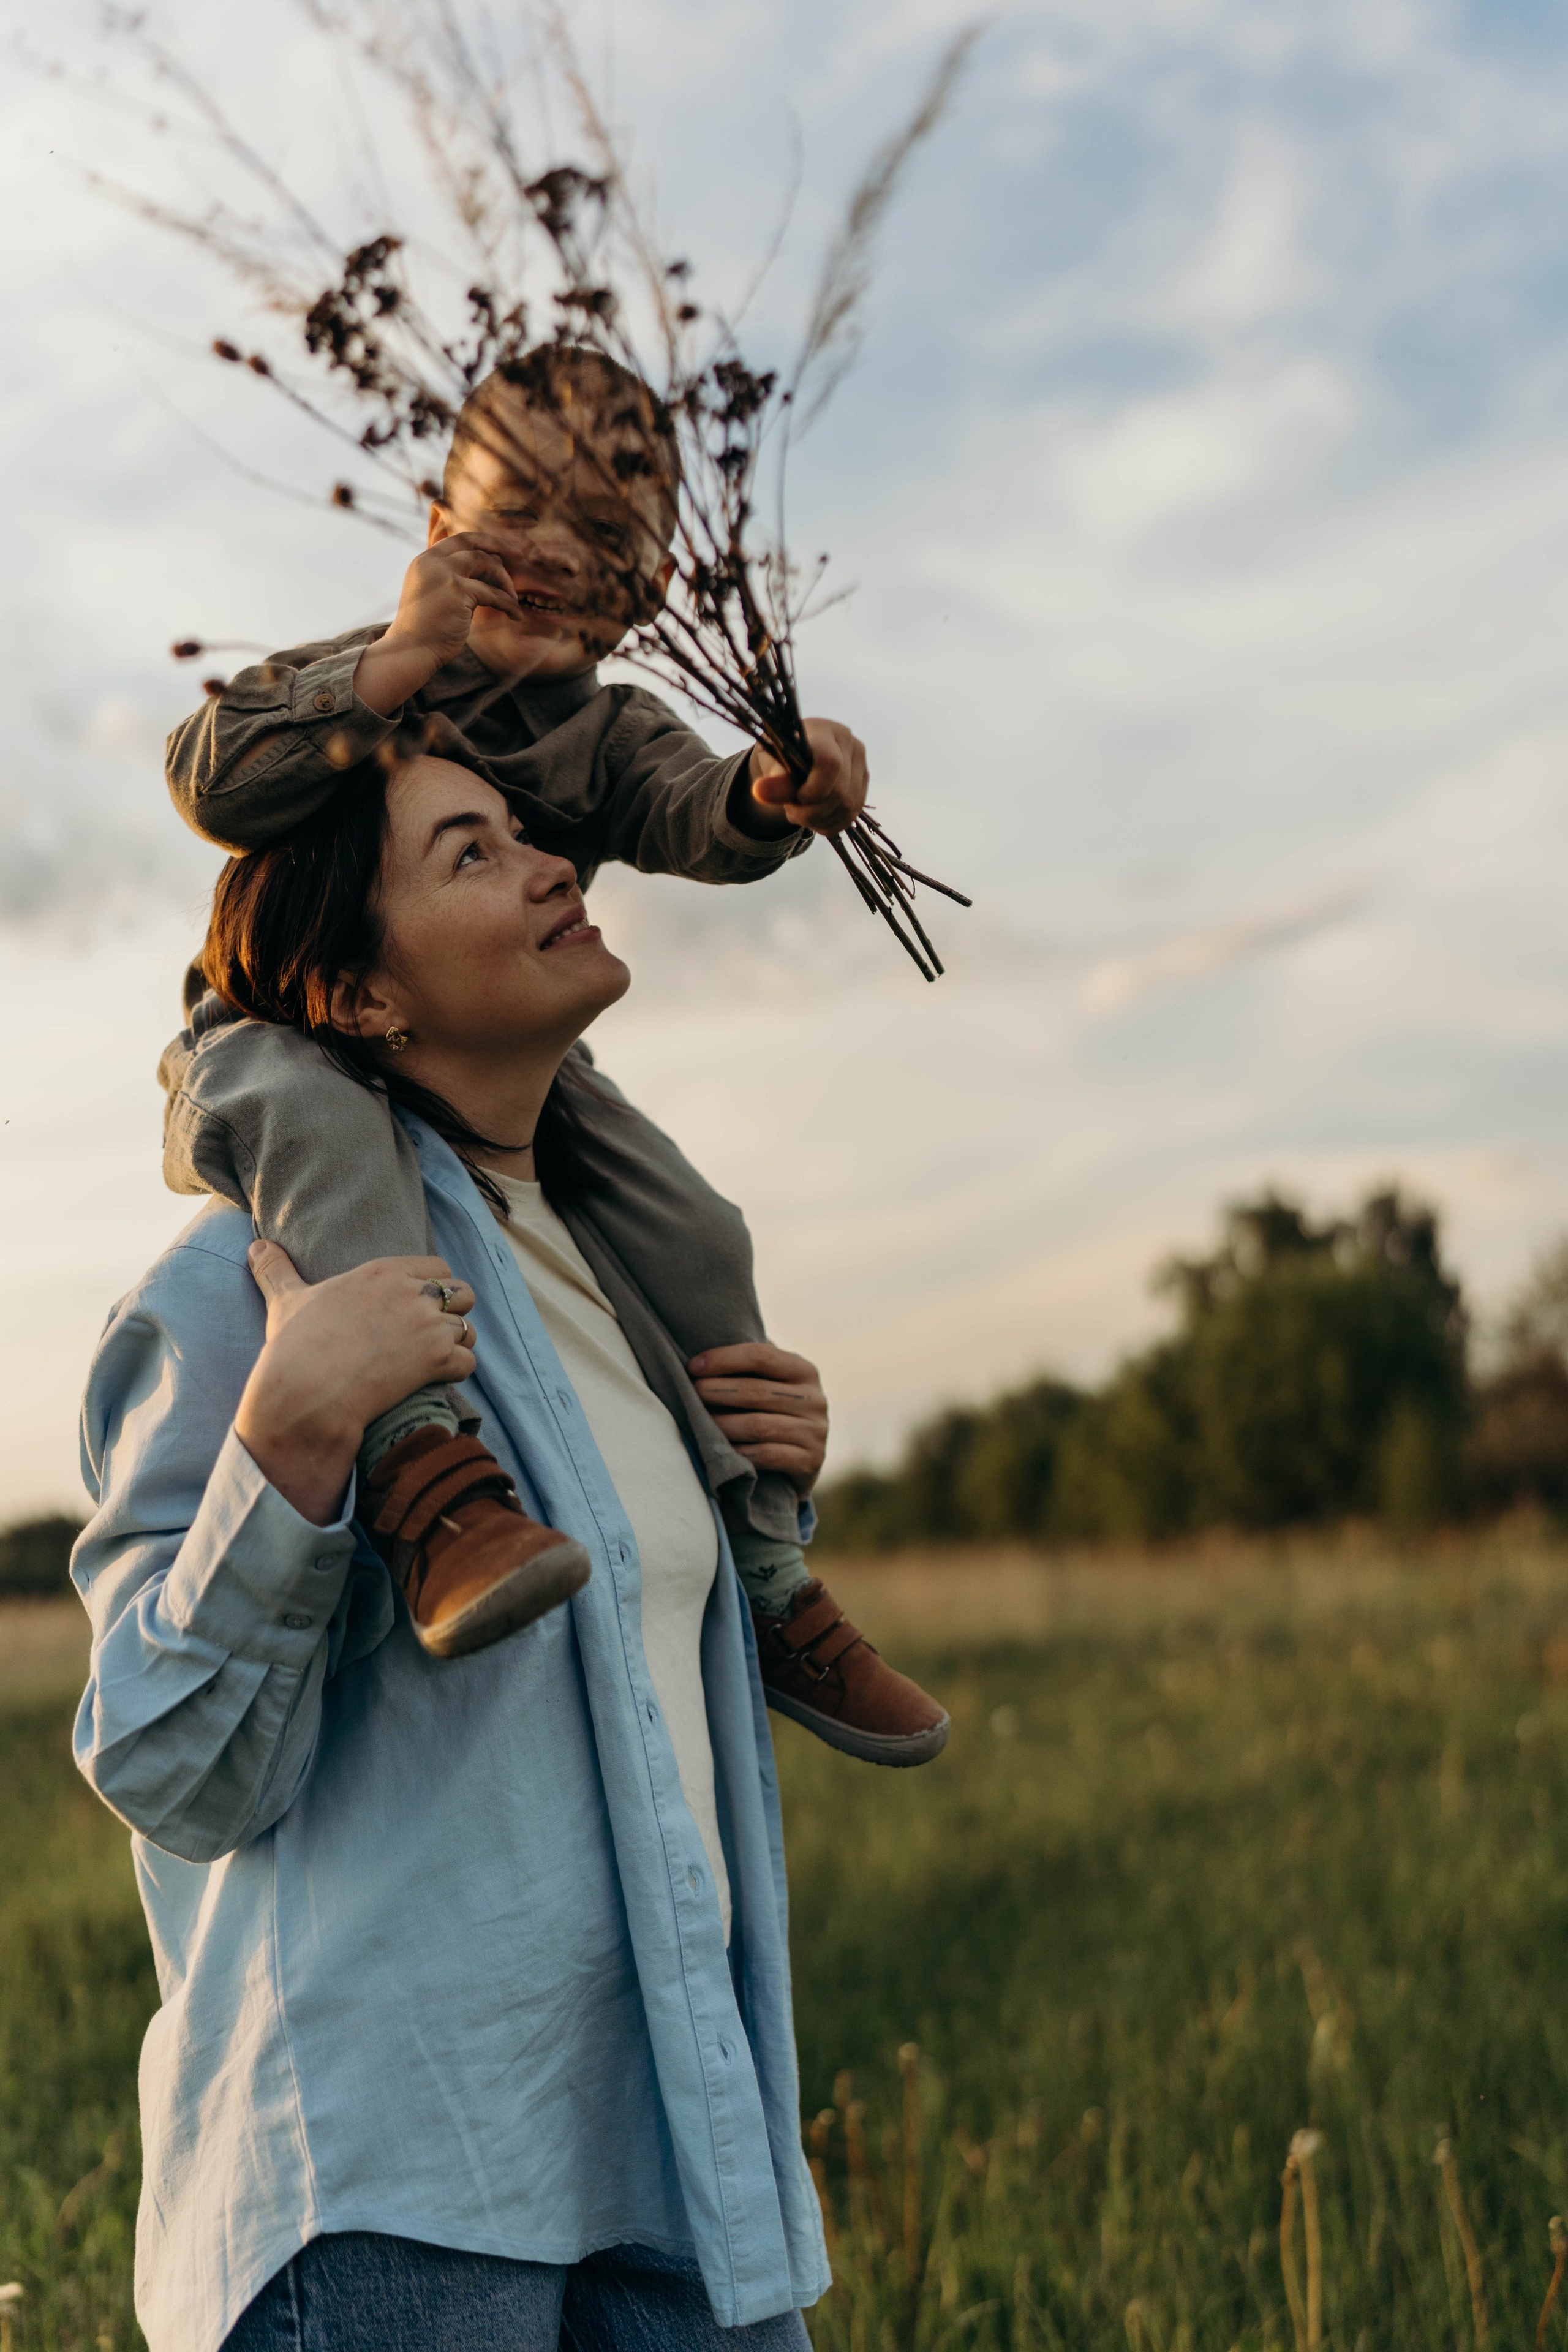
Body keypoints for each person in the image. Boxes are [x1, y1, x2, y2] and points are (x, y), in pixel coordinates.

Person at [72, 744, 866, 2352]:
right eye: (471, 853)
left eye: (529, 838)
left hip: (672, 2164)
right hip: (388, 2205)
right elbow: (163, 1765)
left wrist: (766, 1487)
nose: (554, 868)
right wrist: (291, 1444)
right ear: (360, 1000)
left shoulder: (621, 1287)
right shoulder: (245, 1281)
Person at [159, 341, 947, 1765]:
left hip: (502, 1082)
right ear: (437, 526)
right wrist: (392, 662)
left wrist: (776, 792)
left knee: (692, 1225)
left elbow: (694, 814)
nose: (544, 551)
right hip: (290, 1037)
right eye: (514, 505)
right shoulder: (369, 671)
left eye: (598, 534)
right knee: (325, 1134)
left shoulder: (605, 733)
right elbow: (212, 778)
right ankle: (430, 1483)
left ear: (647, 594)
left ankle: (765, 1573)